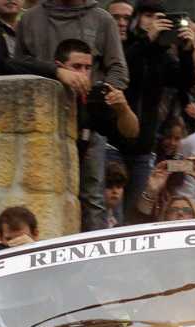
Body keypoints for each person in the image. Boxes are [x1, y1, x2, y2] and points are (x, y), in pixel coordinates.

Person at [17, 0, 128, 232]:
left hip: (88, 121)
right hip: (42, 123)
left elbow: (119, 69)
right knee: (42, 191)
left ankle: (94, 260)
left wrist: (99, 94)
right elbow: (18, 64)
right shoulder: (30, 19)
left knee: (93, 195)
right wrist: (57, 73)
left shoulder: (101, 19)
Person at [111, 2, 195, 216]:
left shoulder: (163, 56)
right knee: (113, 210)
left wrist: (186, 51)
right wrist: (147, 39)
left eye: (159, 17)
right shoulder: (122, 46)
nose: (153, 21)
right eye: (147, 16)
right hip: (114, 145)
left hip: (143, 148)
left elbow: (185, 82)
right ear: (136, 19)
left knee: (136, 213)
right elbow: (126, 70)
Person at [105, 161, 127, 227]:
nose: (115, 191)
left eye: (119, 186)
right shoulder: (94, 220)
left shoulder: (115, 222)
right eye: (109, 186)